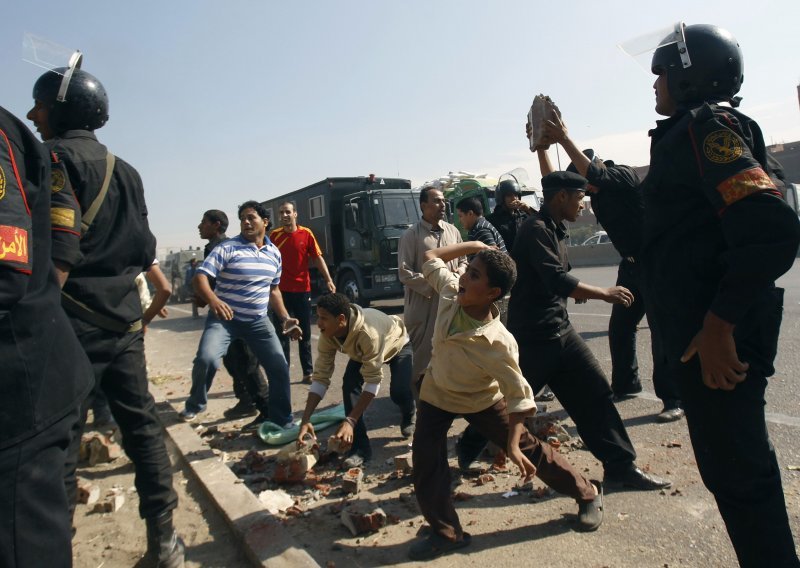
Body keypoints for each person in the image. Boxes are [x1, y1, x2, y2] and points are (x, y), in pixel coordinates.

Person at [640, 23, 800, 566]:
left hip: (719, 342)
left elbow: (770, 227)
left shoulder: (708, 128)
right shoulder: (684, 134)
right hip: (703, 335)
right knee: (731, 476)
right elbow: (670, 236)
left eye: (663, 70)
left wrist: (719, 323)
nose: (655, 81)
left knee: (743, 480)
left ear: (690, 74)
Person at [27, 67, 185, 565]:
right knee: (142, 429)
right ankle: (166, 543)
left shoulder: (49, 159)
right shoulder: (126, 170)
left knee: (60, 440)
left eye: (40, 106)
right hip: (124, 325)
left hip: (68, 320)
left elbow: (58, 248)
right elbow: (143, 248)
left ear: (62, 109)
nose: (32, 115)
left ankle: (58, 548)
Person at [408, 240, 603, 561]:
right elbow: (430, 256)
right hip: (436, 393)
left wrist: (511, 443)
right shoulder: (448, 292)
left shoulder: (499, 342)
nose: (463, 279)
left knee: (528, 449)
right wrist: (472, 245)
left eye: (473, 277)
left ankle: (587, 492)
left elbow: (519, 396)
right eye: (466, 271)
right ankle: (447, 532)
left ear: (492, 293)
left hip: (481, 399)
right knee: (426, 461)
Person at [505, 171, 672, 491]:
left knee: (595, 395)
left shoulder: (554, 229)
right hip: (533, 338)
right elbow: (556, 279)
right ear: (561, 197)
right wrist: (604, 292)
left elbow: (559, 282)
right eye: (580, 198)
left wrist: (579, 292)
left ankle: (621, 467)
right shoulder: (535, 229)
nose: (584, 205)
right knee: (503, 408)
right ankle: (466, 451)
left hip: (560, 332)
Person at [536, 119, 684, 423]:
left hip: (656, 263)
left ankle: (673, 398)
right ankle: (626, 385)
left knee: (660, 331)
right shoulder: (596, 193)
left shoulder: (622, 175)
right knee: (620, 326)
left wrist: (564, 138)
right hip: (630, 266)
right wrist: (541, 149)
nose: (584, 192)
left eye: (585, 183)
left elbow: (596, 174)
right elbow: (555, 186)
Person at [0, 105, 93, 568]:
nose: (34, 115)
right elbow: (64, 231)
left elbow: (7, 272)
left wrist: (40, 309)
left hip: (20, 387)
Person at [182, 200, 302, 433]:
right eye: (243, 219)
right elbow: (200, 278)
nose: (246, 222)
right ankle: (196, 403)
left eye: (251, 218)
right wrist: (214, 301)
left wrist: (285, 318)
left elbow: (274, 290)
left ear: (265, 222)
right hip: (224, 320)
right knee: (207, 359)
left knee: (279, 367)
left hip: (258, 321)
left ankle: (282, 418)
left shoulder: (273, 254)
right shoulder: (227, 248)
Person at [297, 292, 416, 467]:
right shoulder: (328, 334)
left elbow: (373, 381)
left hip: (397, 345)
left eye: (324, 318)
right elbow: (321, 377)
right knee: (349, 387)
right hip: (364, 353)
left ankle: (409, 413)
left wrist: (350, 420)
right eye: (318, 317)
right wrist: (305, 419)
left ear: (341, 319)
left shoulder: (368, 334)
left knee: (399, 392)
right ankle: (360, 449)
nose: (319, 323)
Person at [198, 208, 266, 420]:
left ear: (216, 225)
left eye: (204, 222)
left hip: (239, 313)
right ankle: (245, 400)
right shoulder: (213, 247)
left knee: (248, 362)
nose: (200, 227)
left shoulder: (225, 247)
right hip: (225, 315)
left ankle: (268, 410)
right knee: (233, 360)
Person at [398, 186, 467, 389]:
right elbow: (404, 273)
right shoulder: (411, 235)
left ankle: (449, 393)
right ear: (423, 205)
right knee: (422, 356)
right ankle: (419, 401)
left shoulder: (453, 231)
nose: (442, 205)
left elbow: (464, 260)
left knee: (452, 349)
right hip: (424, 305)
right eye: (437, 201)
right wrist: (437, 282)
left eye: (443, 201)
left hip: (452, 302)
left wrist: (458, 275)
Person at [269, 201, 335, 384]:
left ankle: (308, 372)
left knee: (304, 333)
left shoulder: (306, 234)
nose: (284, 215)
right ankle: (283, 372)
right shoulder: (274, 236)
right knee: (283, 332)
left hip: (302, 290)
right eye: (281, 212)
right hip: (280, 293)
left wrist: (328, 279)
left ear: (295, 214)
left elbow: (317, 258)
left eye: (288, 212)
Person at [485, 178, 532, 254]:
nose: (514, 198)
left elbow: (542, 224)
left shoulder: (524, 216)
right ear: (501, 198)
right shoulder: (491, 220)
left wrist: (529, 210)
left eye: (516, 195)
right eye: (509, 195)